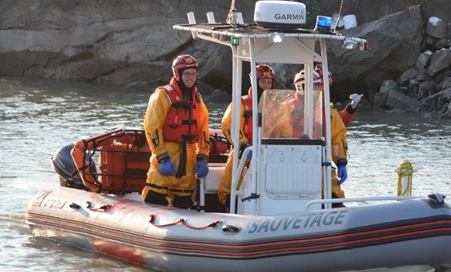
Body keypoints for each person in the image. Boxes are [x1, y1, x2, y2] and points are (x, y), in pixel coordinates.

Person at [141, 54, 211, 209]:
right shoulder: (163, 95)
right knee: (154, 198)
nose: (191, 78)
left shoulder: (197, 99)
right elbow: (152, 127)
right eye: (187, 74)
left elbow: (203, 129)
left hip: (188, 161)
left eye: (193, 74)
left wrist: (203, 157)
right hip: (166, 156)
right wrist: (162, 157)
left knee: (185, 203)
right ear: (177, 74)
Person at [280, 69, 349, 204]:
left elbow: (337, 136)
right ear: (301, 86)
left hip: (319, 159)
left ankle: (333, 213)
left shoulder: (327, 109)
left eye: (317, 85)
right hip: (290, 160)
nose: (316, 89)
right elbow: (278, 133)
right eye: (313, 85)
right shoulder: (287, 107)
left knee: (334, 191)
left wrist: (341, 161)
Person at [217, 64, 275, 210]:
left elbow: (283, 126)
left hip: (267, 153)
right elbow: (229, 124)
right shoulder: (241, 103)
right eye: (263, 82)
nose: (266, 86)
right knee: (231, 184)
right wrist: (243, 145)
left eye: (269, 82)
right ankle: (229, 206)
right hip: (243, 152)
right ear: (255, 82)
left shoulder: (275, 105)